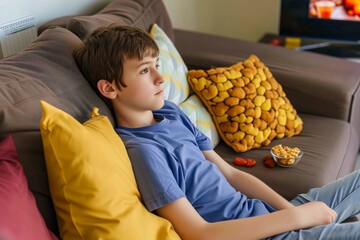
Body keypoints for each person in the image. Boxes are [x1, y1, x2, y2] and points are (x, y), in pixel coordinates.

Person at [73, 24, 360, 240]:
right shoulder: (145, 152)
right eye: (145, 71)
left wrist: (294, 213)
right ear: (109, 88)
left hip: (275, 218)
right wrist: (298, 218)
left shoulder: (171, 113)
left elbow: (231, 174)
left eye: (157, 65)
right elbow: (199, 233)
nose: (161, 78)